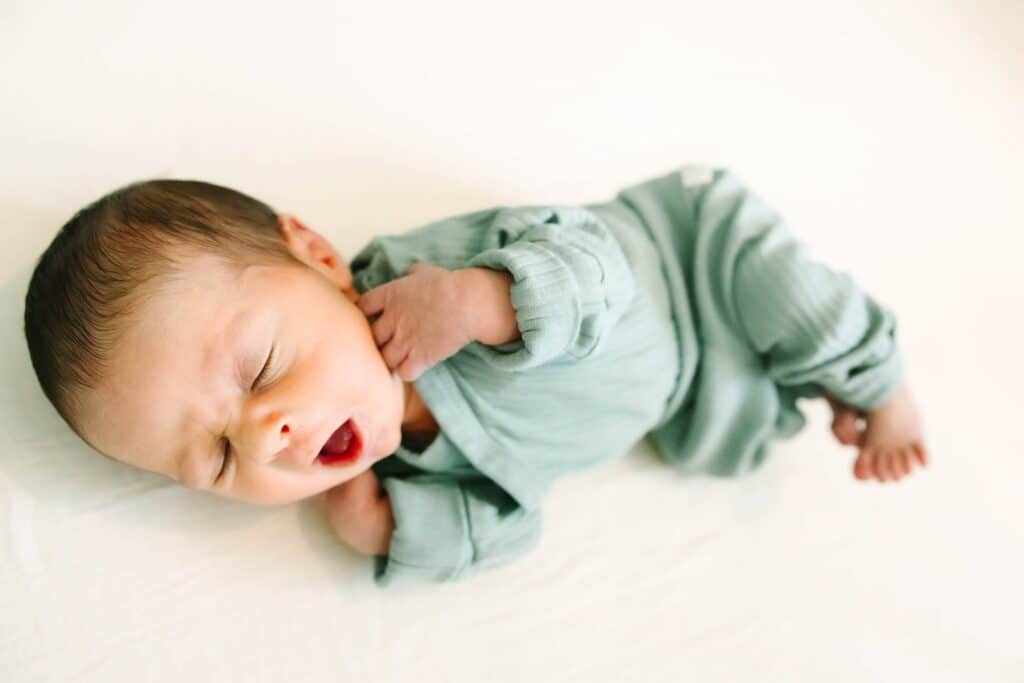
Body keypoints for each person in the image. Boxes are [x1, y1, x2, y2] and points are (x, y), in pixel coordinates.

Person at [22, 165, 928, 586]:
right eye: (219, 459)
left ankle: (878, 380)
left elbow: (599, 262)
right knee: (730, 444)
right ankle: (808, 386)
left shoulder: (430, 290)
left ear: (318, 255)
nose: (269, 435)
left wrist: (489, 300)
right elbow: (517, 521)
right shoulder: (403, 470)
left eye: (261, 368)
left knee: (805, 311)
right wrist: (397, 530)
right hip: (688, 384)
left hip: (693, 257)